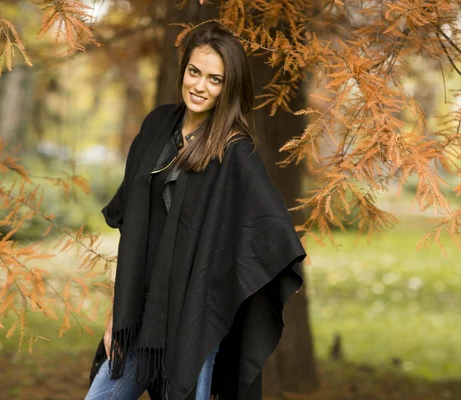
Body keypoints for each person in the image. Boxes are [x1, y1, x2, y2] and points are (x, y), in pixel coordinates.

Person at [85, 22, 306, 400]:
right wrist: (116, 311)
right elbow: (134, 230)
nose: (200, 86)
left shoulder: (235, 152)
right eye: (194, 72)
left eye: (215, 79)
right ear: (184, 70)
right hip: (140, 314)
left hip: (194, 321)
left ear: (229, 87)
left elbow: (272, 233)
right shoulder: (157, 126)